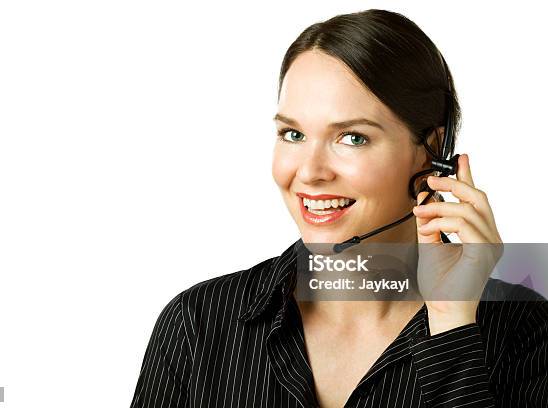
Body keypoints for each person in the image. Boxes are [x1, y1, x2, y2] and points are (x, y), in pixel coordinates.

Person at [130, 9, 548, 408]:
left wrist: (452, 326)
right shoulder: (198, 324)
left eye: (352, 138)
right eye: (293, 134)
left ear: (430, 152)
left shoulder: (525, 331)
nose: (309, 173)